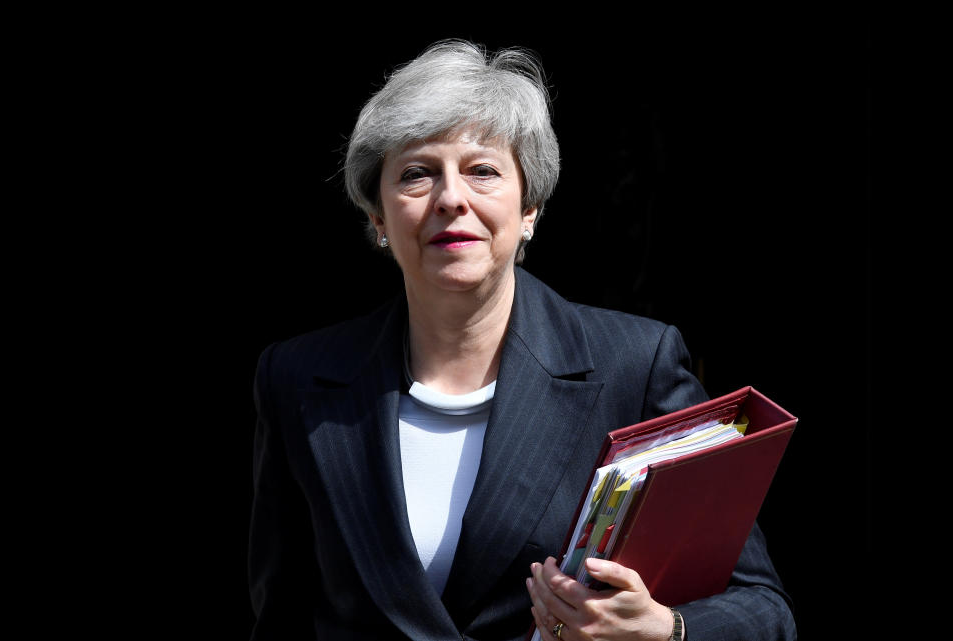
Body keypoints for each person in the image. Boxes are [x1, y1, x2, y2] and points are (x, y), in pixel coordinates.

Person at [249, 39, 796, 641]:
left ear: (530, 205)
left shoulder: (635, 366)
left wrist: (667, 630)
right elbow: (281, 616)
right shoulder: (298, 379)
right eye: (416, 174)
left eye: (482, 170)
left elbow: (763, 610)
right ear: (378, 218)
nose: (451, 197)